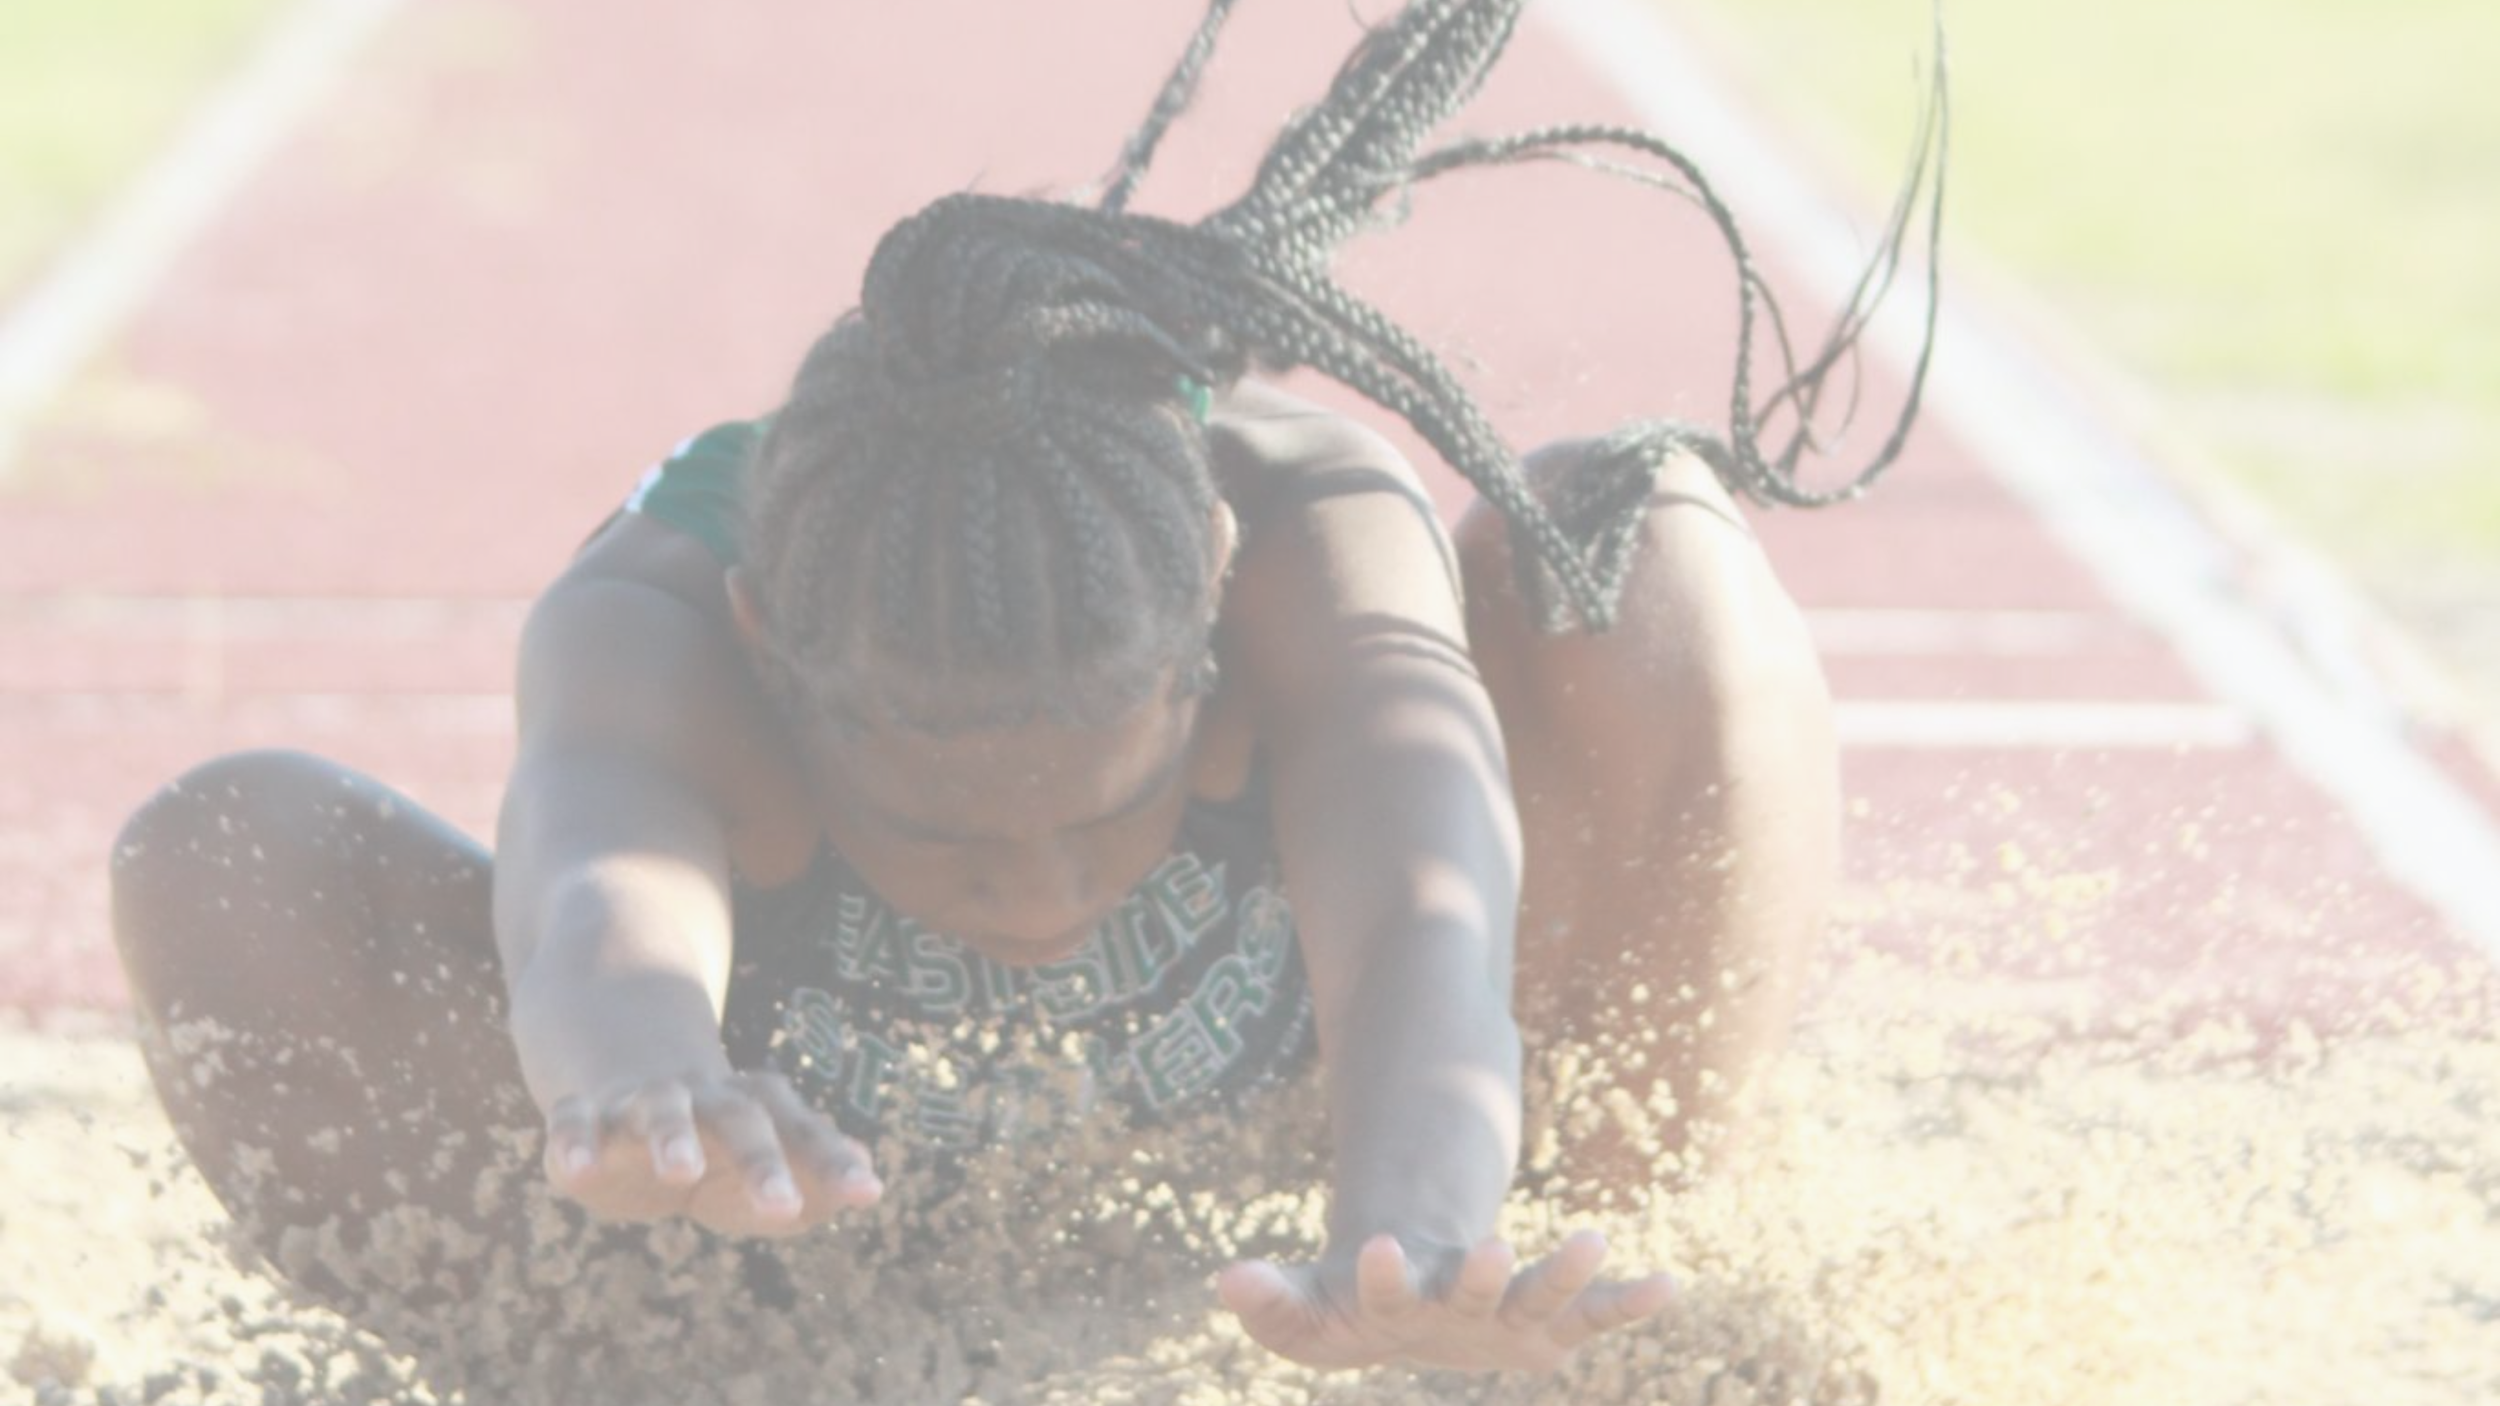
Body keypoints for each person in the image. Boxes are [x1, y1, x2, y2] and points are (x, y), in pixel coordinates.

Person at [108, 0, 1942, 1384]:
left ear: (1216, 628)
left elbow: (1426, 948)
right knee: (222, 853)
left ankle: (1575, 1281)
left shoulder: (1316, 548)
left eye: (1104, 810)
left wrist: (1412, 1238)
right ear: (769, 655)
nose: (1045, 892)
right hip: (785, 1246)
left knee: (1654, 557)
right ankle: (626, 1370)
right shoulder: (652, 622)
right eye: (938, 829)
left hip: (1316, 1178)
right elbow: (598, 903)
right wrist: (647, 1087)